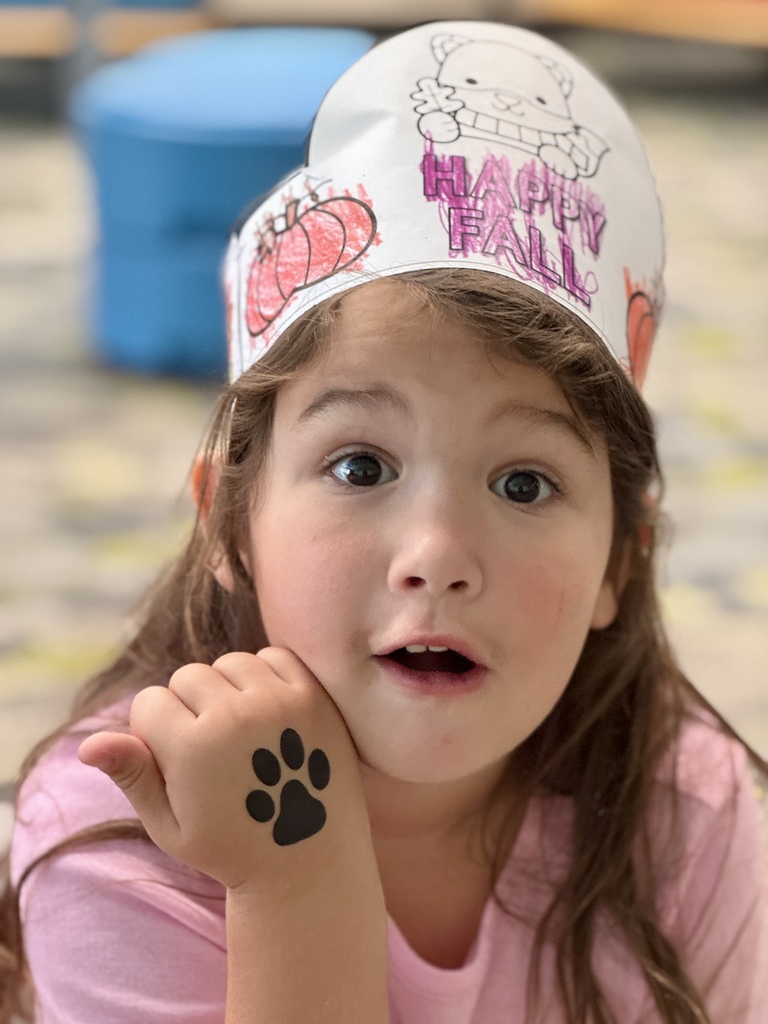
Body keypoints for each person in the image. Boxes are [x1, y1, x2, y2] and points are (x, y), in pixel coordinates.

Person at [1, 20, 766, 1024]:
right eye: (361, 465)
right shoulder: (117, 830)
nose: (438, 558)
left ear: (624, 560)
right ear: (230, 523)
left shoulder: (687, 815)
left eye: (525, 484)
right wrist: (292, 876)